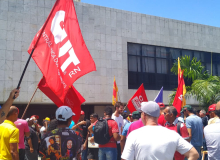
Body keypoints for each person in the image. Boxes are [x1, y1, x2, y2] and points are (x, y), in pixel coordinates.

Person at [121, 101, 199, 160]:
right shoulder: (172, 134)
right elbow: (194, 154)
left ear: (143, 115)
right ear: (158, 115)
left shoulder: (134, 135)